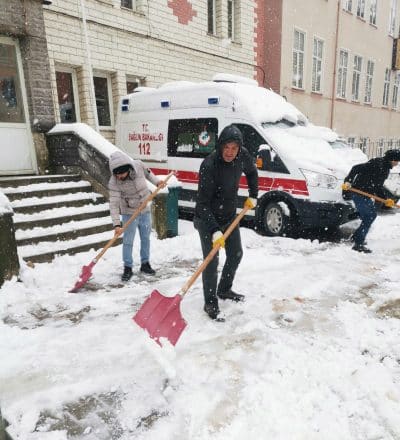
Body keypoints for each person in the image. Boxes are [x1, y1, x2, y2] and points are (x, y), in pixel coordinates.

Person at [194, 124, 258, 321]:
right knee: (211, 262)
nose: (230, 153)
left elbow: (253, 172)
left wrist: (253, 195)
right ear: (220, 146)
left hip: (229, 216)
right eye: (226, 148)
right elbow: (202, 204)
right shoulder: (209, 165)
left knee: (236, 254)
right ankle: (210, 302)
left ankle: (224, 289)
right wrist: (214, 230)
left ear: (239, 148)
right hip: (207, 219)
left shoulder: (242, 156)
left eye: (234, 148)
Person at [108, 151, 162, 281]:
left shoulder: (138, 165)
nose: (119, 176)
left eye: (121, 173)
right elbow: (114, 204)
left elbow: (149, 174)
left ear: (127, 168)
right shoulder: (114, 182)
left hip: (144, 209)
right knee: (128, 241)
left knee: (145, 238)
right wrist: (116, 224)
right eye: (116, 174)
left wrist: (157, 182)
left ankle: (145, 264)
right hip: (128, 211)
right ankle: (127, 267)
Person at [342, 149, 400, 253]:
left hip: (366, 194)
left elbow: (378, 186)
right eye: (397, 160)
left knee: (370, 215)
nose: (397, 163)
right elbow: (356, 168)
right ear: (392, 159)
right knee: (369, 216)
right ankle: (358, 244)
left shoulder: (385, 168)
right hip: (359, 192)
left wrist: (386, 200)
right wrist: (348, 182)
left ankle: (356, 234)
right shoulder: (377, 163)